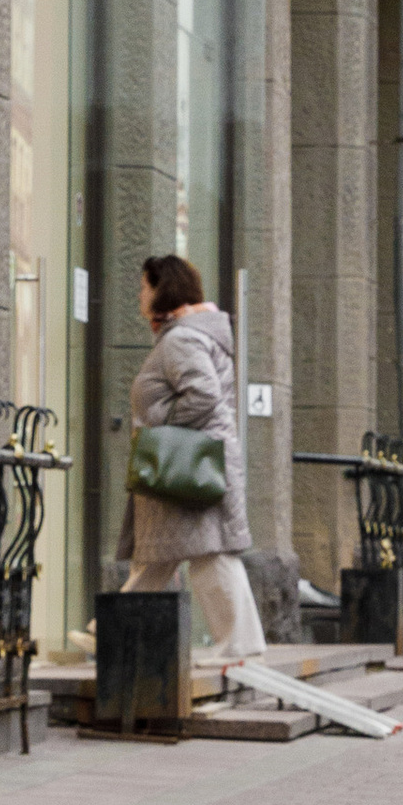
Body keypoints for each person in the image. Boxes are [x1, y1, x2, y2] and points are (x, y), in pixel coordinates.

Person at [119, 253, 263, 660]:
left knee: (207, 551)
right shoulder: (189, 334)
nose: (139, 293)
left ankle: (240, 644)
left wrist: (161, 423)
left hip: (190, 461)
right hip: (197, 459)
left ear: (163, 289)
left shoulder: (182, 338)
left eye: (144, 285)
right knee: (164, 554)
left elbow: (203, 393)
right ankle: (113, 630)